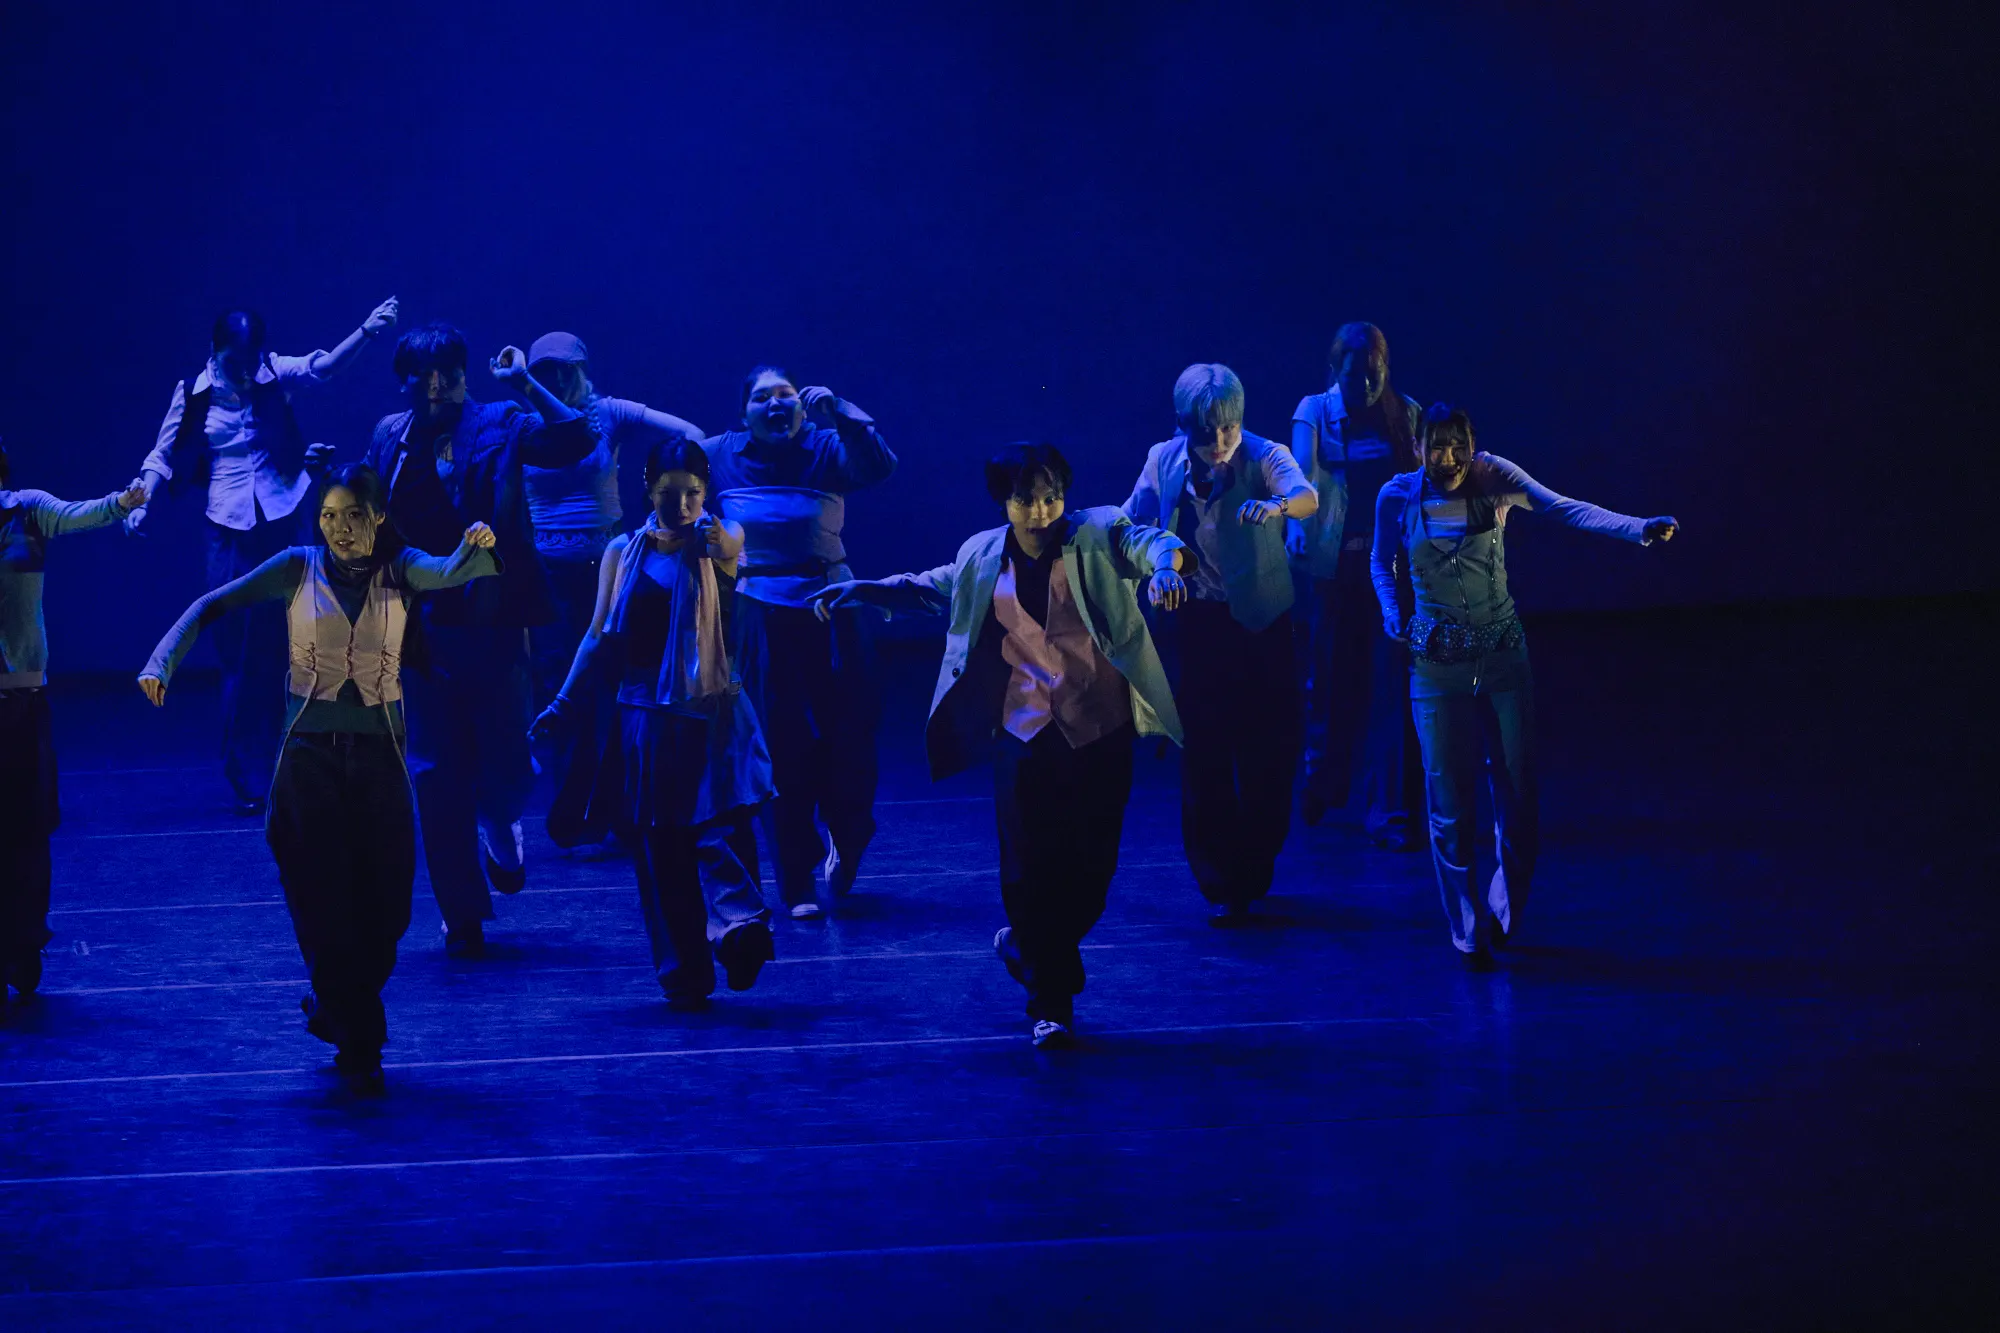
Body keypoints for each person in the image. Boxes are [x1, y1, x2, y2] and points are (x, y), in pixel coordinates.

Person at [139, 464, 501, 1092]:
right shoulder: (296, 567)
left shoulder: (400, 569)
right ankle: (360, 1039)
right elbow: (212, 604)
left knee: (387, 910)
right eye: (329, 516)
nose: (340, 528)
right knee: (322, 902)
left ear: (378, 516)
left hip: (380, 759)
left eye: (354, 515)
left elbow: (449, 571)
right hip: (308, 761)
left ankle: (336, 1006)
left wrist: (474, 546)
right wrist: (161, 660)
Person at [812, 443, 1186, 1047]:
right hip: (1023, 731)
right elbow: (934, 588)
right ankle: (1051, 1004)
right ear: (1003, 502)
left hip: (1099, 726)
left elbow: (1148, 543)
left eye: (1050, 498)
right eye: (1025, 500)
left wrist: (1167, 565)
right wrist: (866, 590)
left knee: (1092, 872)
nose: (1040, 513)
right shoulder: (983, 553)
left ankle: (1028, 946)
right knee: (1027, 868)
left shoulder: (1097, 533)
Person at [1371, 405, 1678, 966]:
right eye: (1436, 447)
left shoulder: (1494, 477)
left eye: (1458, 446)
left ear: (1473, 444)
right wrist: (1393, 612)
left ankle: (1504, 908)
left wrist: (1637, 528)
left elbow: (1563, 507)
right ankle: (1467, 929)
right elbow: (1380, 562)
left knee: (1518, 796)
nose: (1448, 459)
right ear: (1417, 448)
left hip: (1502, 655)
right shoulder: (1396, 497)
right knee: (1448, 801)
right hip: (1436, 661)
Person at [360, 322, 593, 956]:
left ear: (465, 375)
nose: (437, 387)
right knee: (435, 773)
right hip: (419, 622)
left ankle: (500, 818)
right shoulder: (389, 437)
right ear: (405, 382)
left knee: (506, 761)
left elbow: (576, 438)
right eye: (423, 377)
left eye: (450, 374)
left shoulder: (500, 422)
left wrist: (524, 382)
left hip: (491, 616)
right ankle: (461, 914)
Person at [126, 297, 400, 815]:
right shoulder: (194, 393)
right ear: (214, 353)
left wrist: (366, 330)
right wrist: (141, 501)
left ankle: (300, 763)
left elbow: (323, 368)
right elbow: (162, 455)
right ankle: (245, 771)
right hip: (228, 528)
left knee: (296, 643)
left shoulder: (273, 372)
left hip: (282, 518)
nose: (246, 372)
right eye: (236, 362)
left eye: (252, 360)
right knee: (237, 651)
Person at [532, 439, 775, 1009]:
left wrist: (716, 539)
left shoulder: (719, 540)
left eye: (693, 493)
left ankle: (738, 931)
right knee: (660, 845)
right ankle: (683, 971)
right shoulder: (624, 551)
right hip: (645, 714)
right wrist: (564, 701)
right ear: (648, 490)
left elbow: (731, 545)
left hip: (709, 713)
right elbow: (597, 634)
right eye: (670, 493)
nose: (683, 505)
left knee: (717, 828)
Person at [1124, 364, 1318, 923]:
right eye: (1206, 430)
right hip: (1200, 622)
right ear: (1182, 423)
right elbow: (1131, 523)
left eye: (1228, 427)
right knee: (1204, 752)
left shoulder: (1263, 453)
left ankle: (1254, 863)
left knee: (1268, 752)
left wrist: (1278, 507)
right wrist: (1155, 565)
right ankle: (1219, 880)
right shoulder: (1164, 460)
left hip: (1261, 625)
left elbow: (1305, 495)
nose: (1219, 441)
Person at [702, 366, 895, 919]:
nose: (776, 404)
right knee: (779, 746)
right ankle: (797, 880)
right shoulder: (720, 454)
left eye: (786, 395)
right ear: (744, 413)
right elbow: (676, 482)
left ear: (803, 408)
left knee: (850, 736)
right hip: (760, 612)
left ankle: (849, 836)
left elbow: (879, 466)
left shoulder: (827, 446)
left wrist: (846, 413)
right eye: (762, 397)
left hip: (831, 607)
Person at [517, 331, 706, 851]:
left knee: (620, 687)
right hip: (549, 573)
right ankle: (573, 813)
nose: (555, 378)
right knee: (564, 687)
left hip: (613, 565)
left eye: (563, 369)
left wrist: (666, 489)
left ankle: (625, 810)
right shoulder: (526, 424)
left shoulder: (610, 412)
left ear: (580, 368)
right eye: (544, 370)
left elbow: (691, 435)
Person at [0, 442, 146, 1000]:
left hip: (22, 697)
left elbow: (78, 514)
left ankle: (23, 941)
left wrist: (122, 502)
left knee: (27, 827)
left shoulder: (27, 510)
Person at [1289, 322, 1427, 845]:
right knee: (1329, 681)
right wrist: (1297, 525)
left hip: (1391, 570)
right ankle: (1324, 778)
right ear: (1334, 371)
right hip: (1337, 569)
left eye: (1374, 374)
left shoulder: (1405, 413)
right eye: (1354, 376)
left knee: (1392, 686)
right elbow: (1300, 474)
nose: (1365, 386)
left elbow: (1424, 485)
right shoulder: (1315, 410)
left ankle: (1389, 811)